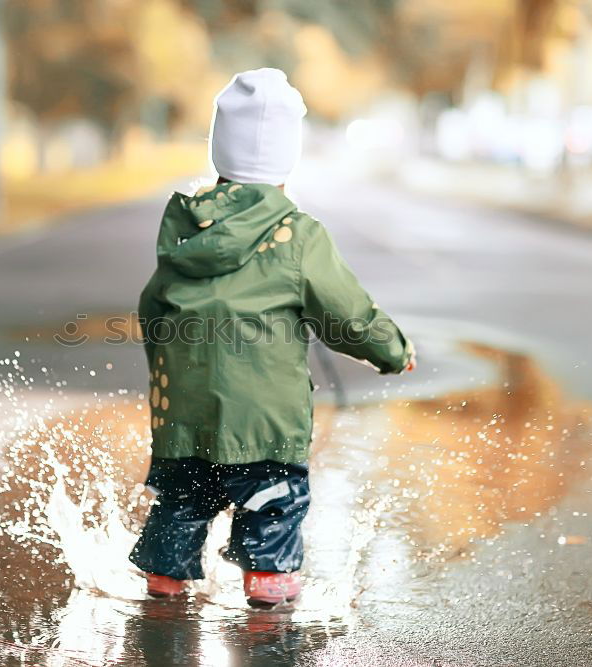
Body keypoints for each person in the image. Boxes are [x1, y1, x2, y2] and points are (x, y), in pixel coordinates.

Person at [129, 68, 415, 607]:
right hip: (266, 434)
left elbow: (153, 310)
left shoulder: (188, 229)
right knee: (270, 547)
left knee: (176, 522)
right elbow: (346, 315)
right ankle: (267, 628)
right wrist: (393, 351)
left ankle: (161, 610)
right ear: (286, 159)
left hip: (185, 423)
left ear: (220, 151)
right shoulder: (297, 234)